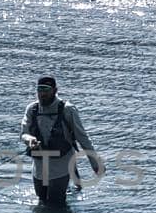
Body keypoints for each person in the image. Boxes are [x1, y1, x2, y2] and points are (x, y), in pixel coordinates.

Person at [20, 74, 101, 206]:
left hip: (61, 166)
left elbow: (82, 138)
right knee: (42, 201)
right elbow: (23, 134)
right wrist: (29, 140)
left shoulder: (67, 109)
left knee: (56, 204)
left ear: (55, 91)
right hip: (39, 167)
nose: (42, 94)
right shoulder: (32, 109)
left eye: (46, 90)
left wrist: (95, 163)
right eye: (39, 90)